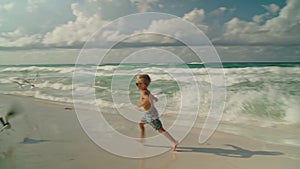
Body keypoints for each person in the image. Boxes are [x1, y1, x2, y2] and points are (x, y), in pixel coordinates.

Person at [135, 74, 178, 151]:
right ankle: (142, 139)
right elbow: (152, 98)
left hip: (151, 115)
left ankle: (174, 142)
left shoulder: (144, 93)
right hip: (148, 114)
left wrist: (139, 105)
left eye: (137, 83)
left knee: (160, 129)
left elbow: (147, 99)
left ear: (143, 85)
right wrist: (154, 99)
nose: (136, 85)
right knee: (140, 123)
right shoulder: (147, 91)